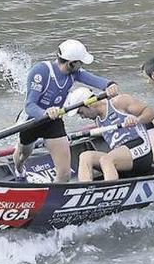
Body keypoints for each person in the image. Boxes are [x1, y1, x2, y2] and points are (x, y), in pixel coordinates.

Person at [13, 39, 119, 183]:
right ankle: (19, 170)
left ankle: (53, 199)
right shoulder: (41, 71)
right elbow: (30, 106)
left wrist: (109, 85)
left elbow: (94, 80)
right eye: (80, 62)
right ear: (71, 63)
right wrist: (45, 113)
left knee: (65, 174)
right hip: (31, 120)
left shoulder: (75, 73)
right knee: (22, 155)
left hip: (53, 122)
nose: (81, 66)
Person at [65, 88, 154, 182]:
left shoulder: (119, 102)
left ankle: (110, 190)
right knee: (85, 156)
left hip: (141, 152)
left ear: (89, 104)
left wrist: (138, 120)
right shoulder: (97, 119)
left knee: (106, 159)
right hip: (120, 158)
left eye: (81, 112)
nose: (82, 117)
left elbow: (151, 111)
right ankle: (84, 191)